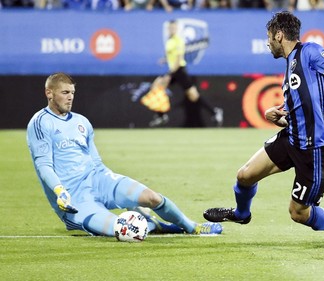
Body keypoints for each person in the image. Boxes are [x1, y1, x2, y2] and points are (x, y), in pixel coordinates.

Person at [203, 11, 324, 248]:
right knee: (245, 175)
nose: (268, 43)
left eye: (269, 37)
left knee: (298, 213)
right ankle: (242, 214)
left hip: (314, 150)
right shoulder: (291, 64)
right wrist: (275, 115)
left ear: (279, 35)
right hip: (292, 139)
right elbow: (300, 108)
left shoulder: (310, 51)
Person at [26, 72, 223, 238]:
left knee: (152, 198)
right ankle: (156, 225)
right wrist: (59, 191)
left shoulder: (81, 122)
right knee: (126, 229)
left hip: (99, 180)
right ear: (49, 93)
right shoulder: (41, 123)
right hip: (75, 200)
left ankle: (192, 227)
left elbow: (96, 162)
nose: (70, 97)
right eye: (65, 92)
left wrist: (118, 190)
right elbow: (44, 165)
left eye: (72, 93)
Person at [149, 19, 223, 128]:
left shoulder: (178, 41)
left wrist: (169, 74)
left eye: (174, 27)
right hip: (174, 70)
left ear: (177, 28)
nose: (172, 29)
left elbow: (178, 60)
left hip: (179, 70)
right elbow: (172, 56)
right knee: (157, 87)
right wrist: (165, 60)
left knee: (193, 96)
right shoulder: (169, 41)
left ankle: (215, 112)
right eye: (170, 27)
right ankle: (161, 115)